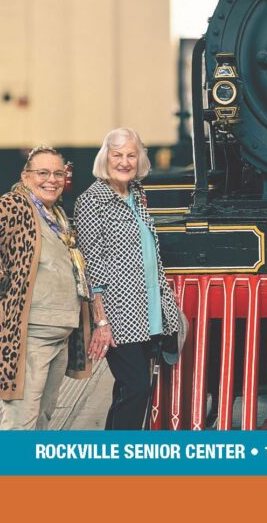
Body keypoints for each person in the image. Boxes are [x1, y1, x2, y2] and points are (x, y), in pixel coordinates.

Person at [0, 145, 91, 428]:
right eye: (43, 173)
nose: (52, 180)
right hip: (31, 335)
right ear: (25, 175)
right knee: (21, 423)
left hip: (60, 332)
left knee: (42, 417)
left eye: (58, 173)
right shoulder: (15, 204)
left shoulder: (53, 211)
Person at [74, 127, 181, 429]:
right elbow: (92, 265)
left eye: (131, 155)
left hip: (147, 313)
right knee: (136, 389)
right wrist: (101, 321)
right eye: (117, 154)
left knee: (127, 390)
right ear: (104, 158)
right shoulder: (92, 201)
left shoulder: (137, 194)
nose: (124, 161)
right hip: (119, 317)